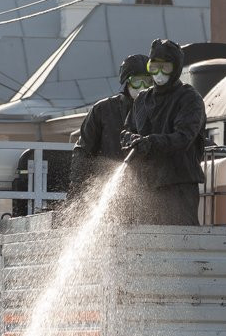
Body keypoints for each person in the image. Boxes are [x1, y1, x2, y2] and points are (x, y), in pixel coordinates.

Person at [119, 38, 207, 225]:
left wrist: (151, 142)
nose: (159, 74)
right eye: (154, 67)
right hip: (147, 185)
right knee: (148, 243)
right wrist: (132, 140)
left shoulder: (189, 98)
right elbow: (126, 131)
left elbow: (184, 137)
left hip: (178, 184)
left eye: (165, 68)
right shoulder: (143, 99)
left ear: (176, 69)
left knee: (179, 239)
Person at [70, 54, 150, 193]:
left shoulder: (159, 112)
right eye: (137, 81)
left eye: (147, 81)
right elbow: (83, 151)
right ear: (126, 82)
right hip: (106, 185)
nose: (142, 87)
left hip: (146, 187)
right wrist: (77, 189)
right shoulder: (103, 110)